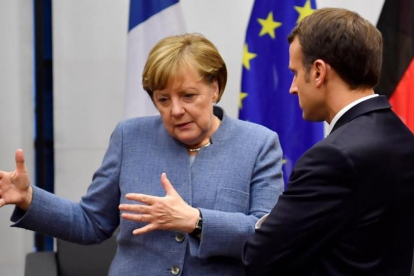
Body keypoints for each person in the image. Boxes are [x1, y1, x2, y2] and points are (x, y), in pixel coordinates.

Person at [0, 33, 284, 276]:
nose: (175, 110)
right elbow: (91, 223)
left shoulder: (258, 144)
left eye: (188, 96)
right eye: (163, 99)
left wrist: (196, 222)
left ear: (215, 89)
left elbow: (267, 236)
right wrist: (29, 199)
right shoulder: (130, 138)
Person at [242, 8, 414, 276]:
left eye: (296, 72)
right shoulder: (403, 137)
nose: (292, 87)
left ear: (319, 71)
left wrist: (269, 223)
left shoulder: (333, 157)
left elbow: (260, 258)